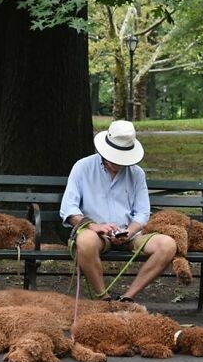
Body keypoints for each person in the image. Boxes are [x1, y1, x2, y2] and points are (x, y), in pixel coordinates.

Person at [60, 120, 177, 302]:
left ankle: (127, 298)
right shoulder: (82, 167)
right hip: (96, 234)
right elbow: (69, 208)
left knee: (168, 245)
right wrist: (93, 226)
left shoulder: (137, 173)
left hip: (130, 233)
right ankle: (103, 298)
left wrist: (129, 231)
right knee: (85, 241)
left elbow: (142, 212)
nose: (118, 163)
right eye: (114, 157)